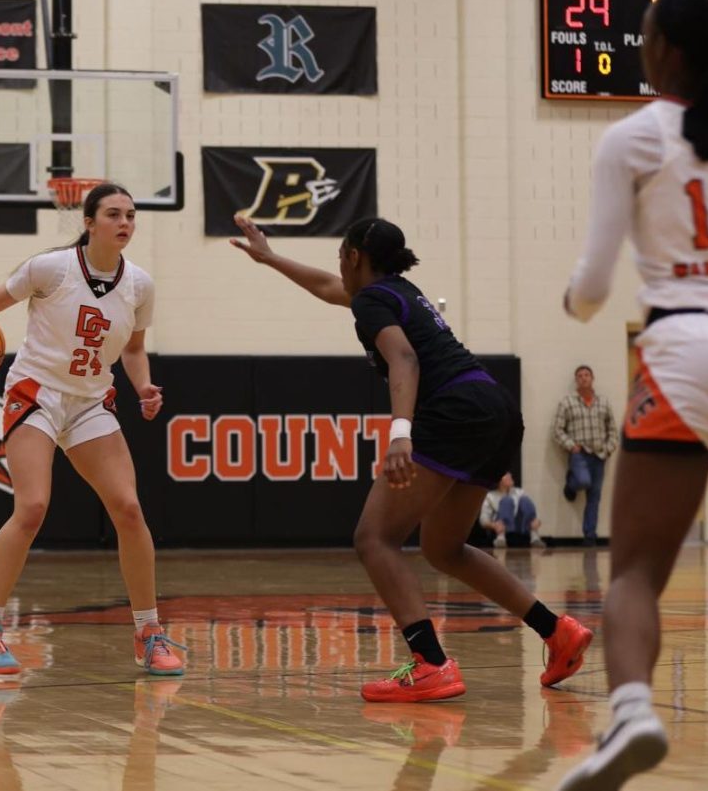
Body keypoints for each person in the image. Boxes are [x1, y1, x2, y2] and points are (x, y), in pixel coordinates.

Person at [231, 214, 592, 702]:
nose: (338, 266)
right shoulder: (398, 291)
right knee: (444, 549)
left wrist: (401, 432)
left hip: (454, 409)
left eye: (341, 255)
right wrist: (270, 258)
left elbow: (404, 358)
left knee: (374, 538)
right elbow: (327, 287)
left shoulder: (375, 301)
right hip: (495, 407)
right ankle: (558, 631)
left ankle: (432, 664)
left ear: (355, 256)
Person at [559, 0, 708, 788]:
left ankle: (632, 710)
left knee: (633, 572)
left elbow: (595, 286)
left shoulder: (634, 136)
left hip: (684, 351)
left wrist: (573, 301)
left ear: (664, 47)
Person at [0, 183, 185, 677]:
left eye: (131, 215)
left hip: (90, 399)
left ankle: (149, 633)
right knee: (32, 507)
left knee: (129, 509)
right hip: (37, 391)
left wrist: (144, 386)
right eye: (114, 214)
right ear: (89, 223)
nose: (125, 222)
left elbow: (132, 348)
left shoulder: (140, 285)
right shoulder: (52, 267)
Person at [552, 365, 618, 545]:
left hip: (599, 455)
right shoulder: (567, 402)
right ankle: (571, 486)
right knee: (583, 481)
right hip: (579, 454)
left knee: (594, 497)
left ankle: (590, 536)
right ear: (576, 380)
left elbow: (613, 430)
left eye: (587, 375)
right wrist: (571, 446)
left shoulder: (603, 402)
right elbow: (557, 430)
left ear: (592, 378)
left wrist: (608, 449)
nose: (583, 378)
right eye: (580, 375)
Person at [479, 472, 544, 547]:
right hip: (501, 530)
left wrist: (537, 521)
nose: (509, 476)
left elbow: (530, 510)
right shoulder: (490, 496)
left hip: (521, 529)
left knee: (525, 500)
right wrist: (494, 525)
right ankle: (501, 538)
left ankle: (534, 537)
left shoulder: (520, 492)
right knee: (507, 501)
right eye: (505, 475)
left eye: (509, 474)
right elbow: (483, 520)